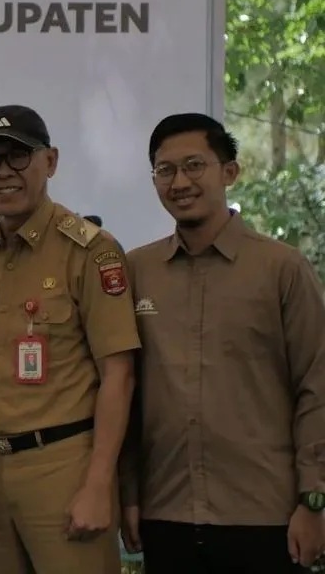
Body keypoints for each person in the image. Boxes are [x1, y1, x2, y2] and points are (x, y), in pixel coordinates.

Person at [119, 112, 325, 573]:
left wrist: (313, 500)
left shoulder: (282, 269)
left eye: (194, 165)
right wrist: (128, 494)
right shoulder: (137, 271)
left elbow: (317, 387)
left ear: (229, 172)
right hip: (165, 513)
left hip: (264, 516)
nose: (179, 182)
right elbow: (125, 390)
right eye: (165, 170)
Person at [0, 104, 140, 574]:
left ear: (50, 161)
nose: (3, 172)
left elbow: (119, 375)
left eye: (19, 156)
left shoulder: (90, 250)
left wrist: (98, 483)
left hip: (65, 467)